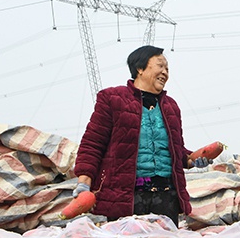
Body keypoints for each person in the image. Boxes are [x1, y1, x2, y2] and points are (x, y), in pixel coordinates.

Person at [73, 45, 206, 226]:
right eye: (160, 66)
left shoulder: (171, 107)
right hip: (127, 198)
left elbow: (177, 151)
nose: (165, 72)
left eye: (167, 68)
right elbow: (93, 143)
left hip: (166, 197)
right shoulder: (112, 99)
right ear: (140, 69)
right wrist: (84, 183)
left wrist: (193, 159)